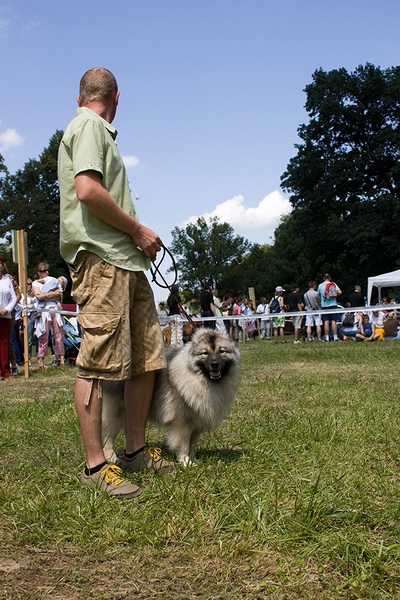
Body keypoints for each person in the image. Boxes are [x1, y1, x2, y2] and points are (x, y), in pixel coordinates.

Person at [58, 67, 174, 500]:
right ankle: (95, 467)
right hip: (102, 260)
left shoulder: (98, 131)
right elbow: (87, 190)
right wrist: (139, 230)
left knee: (146, 358)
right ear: (117, 96)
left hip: (125, 260)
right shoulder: (88, 125)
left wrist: (135, 241)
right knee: (96, 363)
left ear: (83, 93)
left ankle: (135, 450)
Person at [32, 262, 65, 370]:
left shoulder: (53, 280)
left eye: (46, 270)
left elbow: (59, 295)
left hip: (55, 310)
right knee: (43, 336)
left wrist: (45, 296)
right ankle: (41, 362)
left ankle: (62, 360)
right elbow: (39, 297)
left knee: (59, 335)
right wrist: (52, 296)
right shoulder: (35, 284)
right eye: (42, 271)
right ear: (38, 272)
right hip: (44, 311)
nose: (45, 272)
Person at [0, 256, 18, 379]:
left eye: (0, 263)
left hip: (5, 315)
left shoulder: (7, 280)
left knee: (5, 343)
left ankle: (6, 369)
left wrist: (7, 309)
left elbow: (14, 297)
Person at [317, 273, 342, 342]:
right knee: (334, 321)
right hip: (333, 304)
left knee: (326, 321)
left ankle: (327, 337)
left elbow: (318, 295)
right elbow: (340, 292)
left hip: (324, 305)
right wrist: (335, 296)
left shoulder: (320, 285)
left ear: (323, 278)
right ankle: (335, 337)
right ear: (330, 278)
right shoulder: (333, 284)